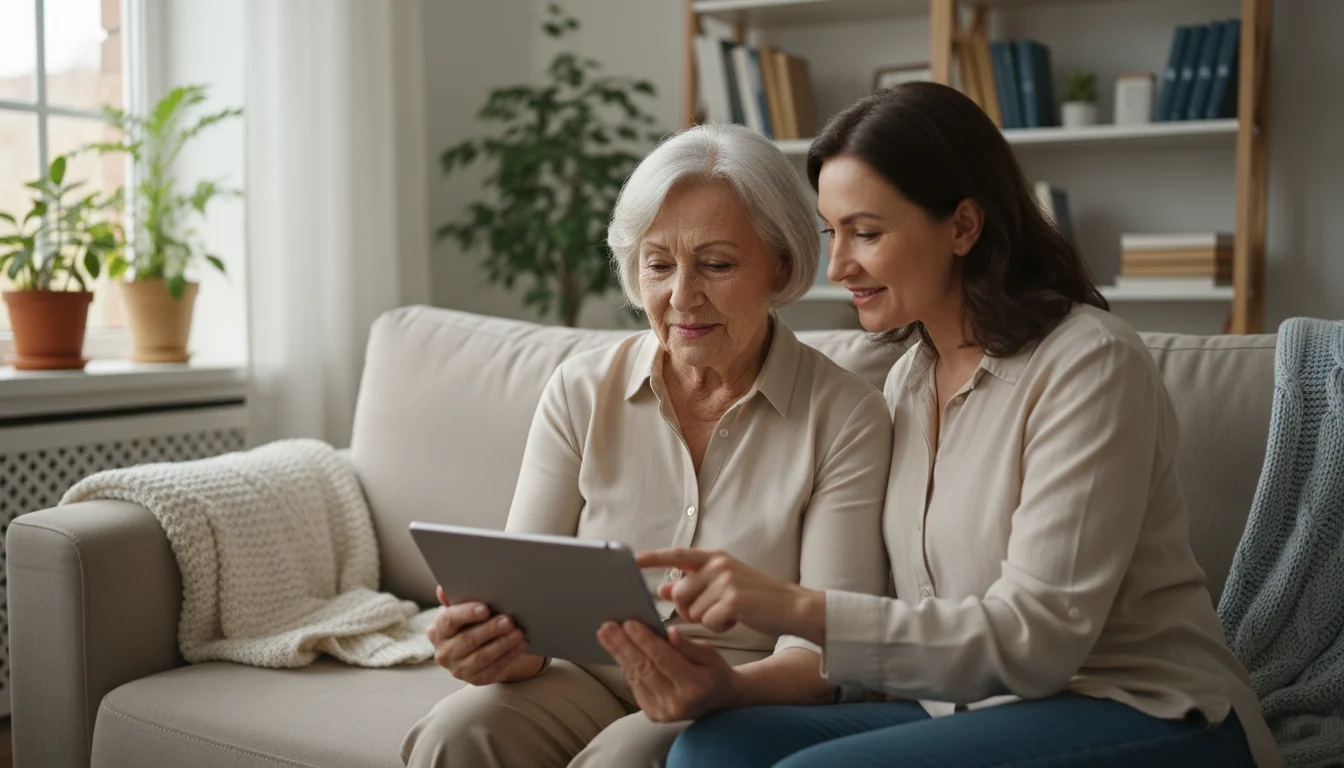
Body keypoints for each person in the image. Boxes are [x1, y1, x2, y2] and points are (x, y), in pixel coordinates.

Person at [638, 82, 1280, 767]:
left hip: (1144, 708)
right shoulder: (909, 383)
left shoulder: (1090, 363)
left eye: (867, 232)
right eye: (833, 233)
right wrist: (731, 683)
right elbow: (908, 629)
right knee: (714, 751)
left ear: (964, 226)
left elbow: (1037, 641)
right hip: (961, 709)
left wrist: (794, 606)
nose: (838, 266)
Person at [400, 123, 895, 768]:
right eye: (658, 264)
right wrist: (487, 647)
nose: (681, 296)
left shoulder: (846, 414)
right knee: (459, 730)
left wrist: (719, 687)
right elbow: (526, 620)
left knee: (628, 757)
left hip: (739, 690)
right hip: (587, 678)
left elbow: (826, 650)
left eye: (716, 264)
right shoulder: (580, 390)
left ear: (780, 263)